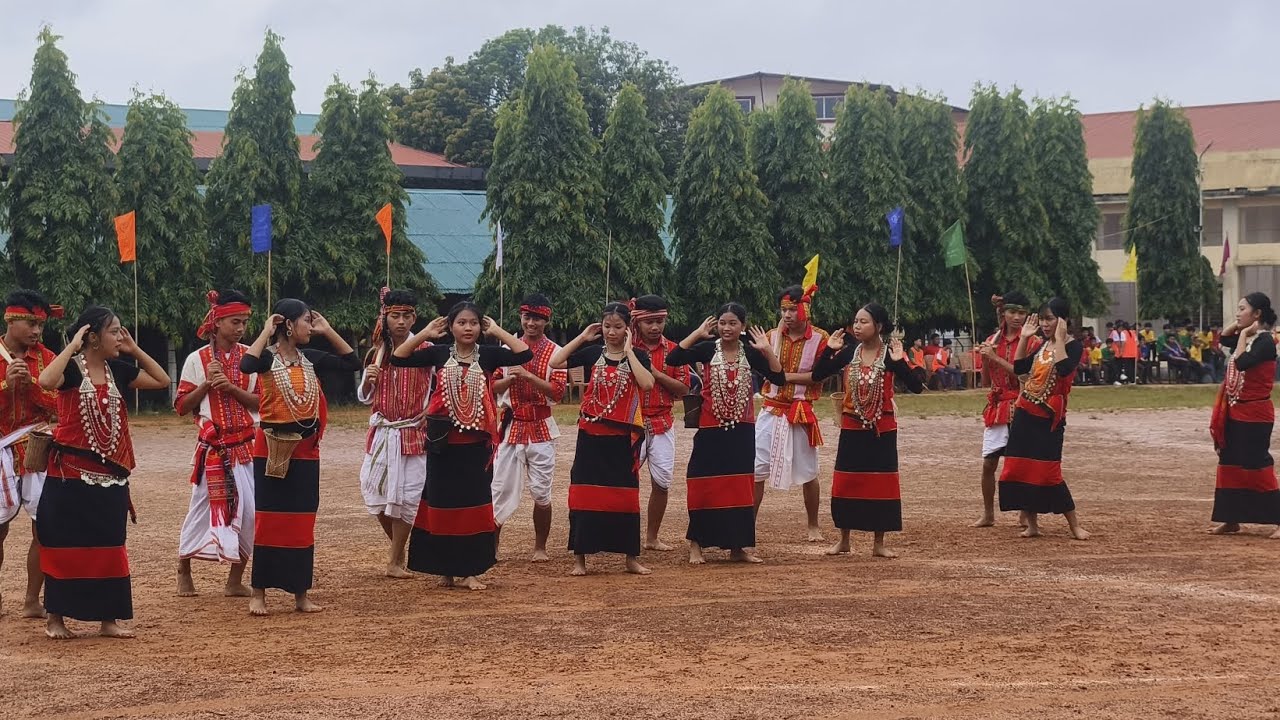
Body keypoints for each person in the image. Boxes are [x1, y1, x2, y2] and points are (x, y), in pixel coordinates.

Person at [36, 306, 170, 639]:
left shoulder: (118, 371)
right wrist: (72, 345)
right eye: (114, 331)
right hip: (69, 476)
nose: (119, 337)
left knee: (109, 545)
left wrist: (134, 348)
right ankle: (56, 618)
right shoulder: (70, 370)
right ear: (93, 337)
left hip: (110, 477)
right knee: (66, 547)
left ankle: (109, 618)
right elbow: (45, 381)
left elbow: (161, 380)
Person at [392, 302, 531, 590]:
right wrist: (425, 333)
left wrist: (498, 331)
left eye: (474, 323)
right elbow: (399, 357)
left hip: (475, 447)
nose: (468, 328)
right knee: (443, 506)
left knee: (474, 507)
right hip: (443, 446)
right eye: (461, 323)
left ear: (481, 327)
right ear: (450, 327)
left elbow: (524, 353)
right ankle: (446, 570)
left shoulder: (489, 355)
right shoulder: (439, 353)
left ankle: (470, 570)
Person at [240, 300, 358, 616]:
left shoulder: (311, 360)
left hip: (306, 452)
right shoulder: (266, 360)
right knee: (270, 523)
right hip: (273, 451)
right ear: (289, 325)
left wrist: (328, 330)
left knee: (302, 524)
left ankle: (300, 594)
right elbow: (245, 366)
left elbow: (352, 363)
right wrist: (267, 330)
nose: (311, 326)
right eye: (307, 321)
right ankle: (258, 593)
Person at [667, 304, 785, 565]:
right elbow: (673, 358)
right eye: (722, 322)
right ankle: (696, 544)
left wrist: (767, 349)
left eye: (732, 323)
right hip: (711, 428)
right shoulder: (708, 349)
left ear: (742, 326)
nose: (726, 328)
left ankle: (737, 547)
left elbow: (779, 378)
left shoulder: (751, 353)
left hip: (741, 430)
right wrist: (697, 333)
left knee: (739, 488)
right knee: (703, 485)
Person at [552, 303, 656, 576]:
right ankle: (580, 559)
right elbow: (555, 362)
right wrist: (582, 338)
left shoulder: (639, 357)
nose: (611, 332)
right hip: (591, 436)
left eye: (618, 327)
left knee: (625, 498)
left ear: (628, 329)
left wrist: (630, 351)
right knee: (585, 496)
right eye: (607, 326)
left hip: (621, 439)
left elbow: (646, 384)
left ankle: (630, 558)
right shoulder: (591, 354)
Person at [812, 303, 923, 558]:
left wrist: (900, 362)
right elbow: (818, 374)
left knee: (881, 483)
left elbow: (916, 387)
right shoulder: (849, 352)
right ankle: (844, 539)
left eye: (864, 322)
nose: (857, 326)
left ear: (879, 326)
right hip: (852, 426)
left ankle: (879, 543)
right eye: (856, 321)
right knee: (846, 481)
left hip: (881, 429)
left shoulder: (889, 356)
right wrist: (828, 351)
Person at [174, 290, 260, 598]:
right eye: (235, 322)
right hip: (214, 449)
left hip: (248, 448)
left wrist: (232, 388)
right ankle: (183, 568)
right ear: (217, 321)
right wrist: (208, 384)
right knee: (200, 513)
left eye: (245, 322)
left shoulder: (252, 357)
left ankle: (235, 580)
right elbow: (182, 405)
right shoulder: (196, 360)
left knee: (252, 514)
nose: (240, 328)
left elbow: (261, 402)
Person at [997, 298, 1089, 540]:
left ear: (1063, 320)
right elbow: (1019, 368)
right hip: (1026, 414)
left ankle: (1074, 525)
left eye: (1050, 319)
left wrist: (1058, 339)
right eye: (1043, 319)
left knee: (1049, 472)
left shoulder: (1072, 346)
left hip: (1049, 419)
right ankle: (1032, 524)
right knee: (1021, 468)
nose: (1045, 324)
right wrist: (1025, 338)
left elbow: (1064, 369)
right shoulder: (1041, 346)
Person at [357, 288, 431, 578]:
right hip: (383, 432)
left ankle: (394, 560)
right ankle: (400, 552)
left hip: (414, 431)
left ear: (415, 318)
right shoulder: (377, 352)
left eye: (406, 316)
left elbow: (440, 385)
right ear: (385, 318)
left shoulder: (426, 350)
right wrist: (367, 381)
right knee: (373, 494)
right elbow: (365, 396)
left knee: (408, 497)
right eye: (395, 316)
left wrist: (433, 408)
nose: (401, 322)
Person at [490, 294, 566, 562]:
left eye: (537, 318)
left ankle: (540, 548)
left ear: (546, 320)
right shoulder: (506, 348)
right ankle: (493, 549)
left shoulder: (557, 352)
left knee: (542, 491)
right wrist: (510, 379)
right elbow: (493, 387)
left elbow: (557, 392)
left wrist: (529, 377)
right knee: (499, 488)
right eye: (527, 317)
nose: (531, 323)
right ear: (520, 318)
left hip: (542, 426)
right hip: (512, 425)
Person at [0, 290, 59, 619]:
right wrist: (6, 386)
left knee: (44, 527)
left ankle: (31, 600)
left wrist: (32, 386)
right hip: (1, 449)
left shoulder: (48, 358)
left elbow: (58, 407)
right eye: (31, 323)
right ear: (11, 319)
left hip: (36, 447)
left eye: (40, 325)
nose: (37, 331)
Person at [755, 284, 828, 542]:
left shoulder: (822, 339)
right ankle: (748, 526)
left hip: (800, 411)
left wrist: (783, 376)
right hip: (771, 409)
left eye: (792, 309)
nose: (787, 315)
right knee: (755, 470)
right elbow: (764, 371)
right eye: (783, 310)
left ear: (805, 309)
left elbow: (817, 377)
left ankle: (813, 526)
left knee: (809, 472)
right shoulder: (771, 336)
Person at [1209, 292, 1280, 538]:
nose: (1237, 314)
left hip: (1256, 413)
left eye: (1242, 309)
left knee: (1257, 463)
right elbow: (1223, 338)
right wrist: (1241, 327)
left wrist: (1244, 333)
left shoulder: (1264, 341)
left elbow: (1240, 362)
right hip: (1237, 410)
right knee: (1229, 462)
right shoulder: (1250, 337)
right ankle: (1231, 519)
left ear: (1257, 314)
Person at [630, 295, 692, 552]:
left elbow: (684, 390)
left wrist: (656, 375)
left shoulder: (675, 352)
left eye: (659, 322)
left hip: (662, 423)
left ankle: (652, 537)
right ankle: (626, 536)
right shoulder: (626, 348)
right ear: (638, 322)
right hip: (631, 423)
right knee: (626, 481)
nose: (655, 327)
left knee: (662, 482)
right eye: (649, 322)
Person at [973, 292, 1036, 528]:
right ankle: (988, 514)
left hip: (1021, 404)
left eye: (1021, 313)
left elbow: (1025, 376)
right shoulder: (993, 339)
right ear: (1004, 313)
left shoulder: (1031, 342)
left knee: (1020, 463)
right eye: (1012, 312)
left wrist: (995, 358)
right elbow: (985, 383)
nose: (1017, 317)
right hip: (997, 406)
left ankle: (1025, 512)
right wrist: (986, 358)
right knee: (989, 463)